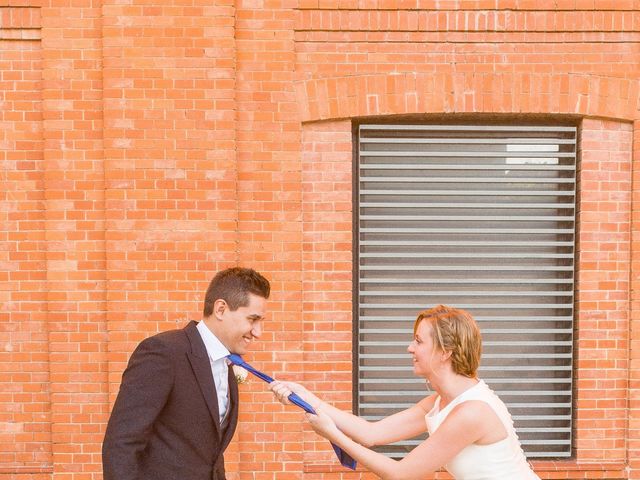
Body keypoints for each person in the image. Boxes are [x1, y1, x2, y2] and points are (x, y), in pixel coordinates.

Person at [270, 305, 540, 480]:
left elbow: (399, 473)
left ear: (446, 352)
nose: (410, 348)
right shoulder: (438, 403)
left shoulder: (472, 412)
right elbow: (372, 433)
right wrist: (305, 395)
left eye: (419, 341)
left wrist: (332, 434)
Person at [102, 267, 270, 480]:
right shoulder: (164, 352)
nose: (258, 332)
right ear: (220, 309)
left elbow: (209, 456)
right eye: (252, 319)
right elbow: (121, 443)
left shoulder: (227, 363)